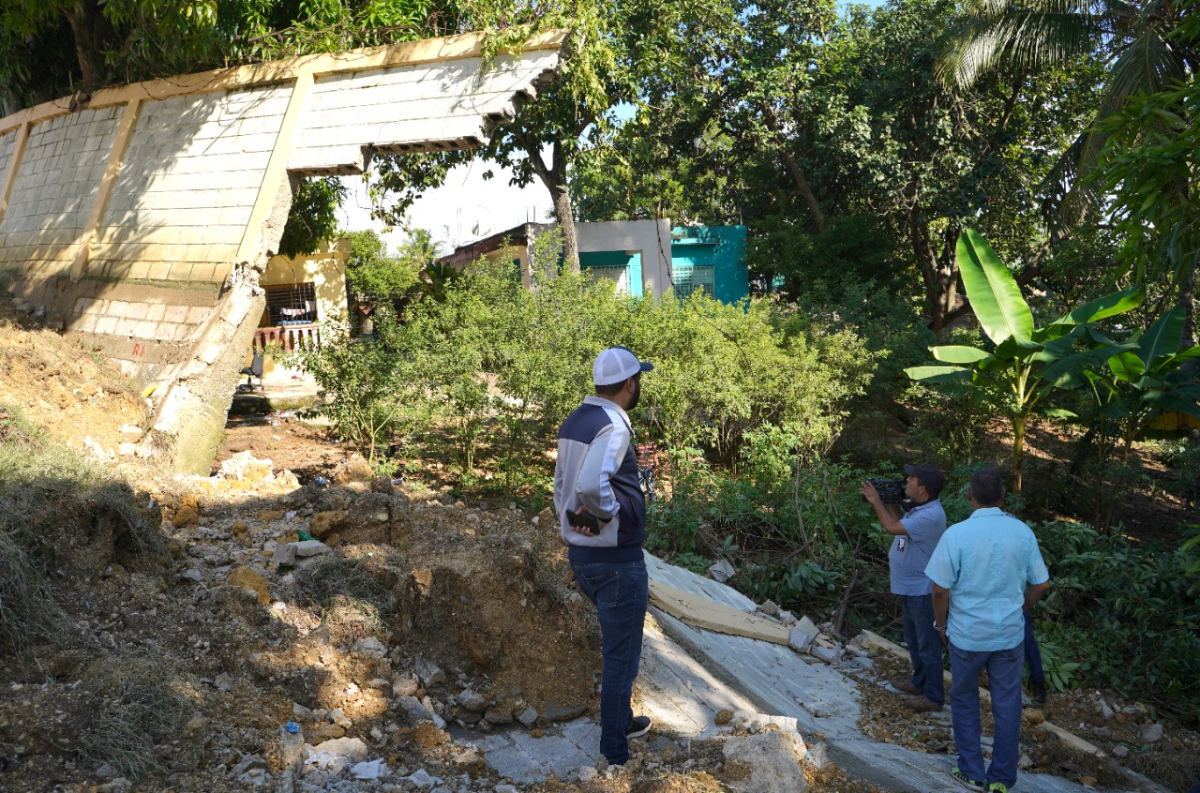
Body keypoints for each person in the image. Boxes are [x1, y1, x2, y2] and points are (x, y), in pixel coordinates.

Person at [552, 346, 655, 766]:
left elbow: (564, 486)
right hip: (617, 563)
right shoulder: (613, 425)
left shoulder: (577, 418)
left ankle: (622, 721)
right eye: (639, 379)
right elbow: (593, 487)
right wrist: (610, 515)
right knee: (621, 658)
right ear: (630, 383)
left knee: (617, 649)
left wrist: (579, 522)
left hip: (584, 557)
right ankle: (615, 751)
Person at [926, 468, 1050, 793]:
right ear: (1003, 497)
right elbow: (1041, 584)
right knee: (1007, 703)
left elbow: (939, 589)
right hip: (1009, 635)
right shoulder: (1022, 533)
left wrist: (941, 623)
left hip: (967, 635)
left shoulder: (956, 534)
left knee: (964, 697)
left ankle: (971, 771)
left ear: (969, 496)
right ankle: (1001, 781)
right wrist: (1021, 608)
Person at [861, 463, 948, 713]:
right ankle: (919, 683)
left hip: (923, 590)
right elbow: (899, 524)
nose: (906, 480)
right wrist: (890, 501)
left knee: (927, 645)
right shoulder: (919, 508)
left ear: (922, 487)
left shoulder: (931, 515)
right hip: (910, 588)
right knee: (913, 639)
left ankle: (933, 696)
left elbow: (890, 528)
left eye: (911, 478)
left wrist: (876, 501)